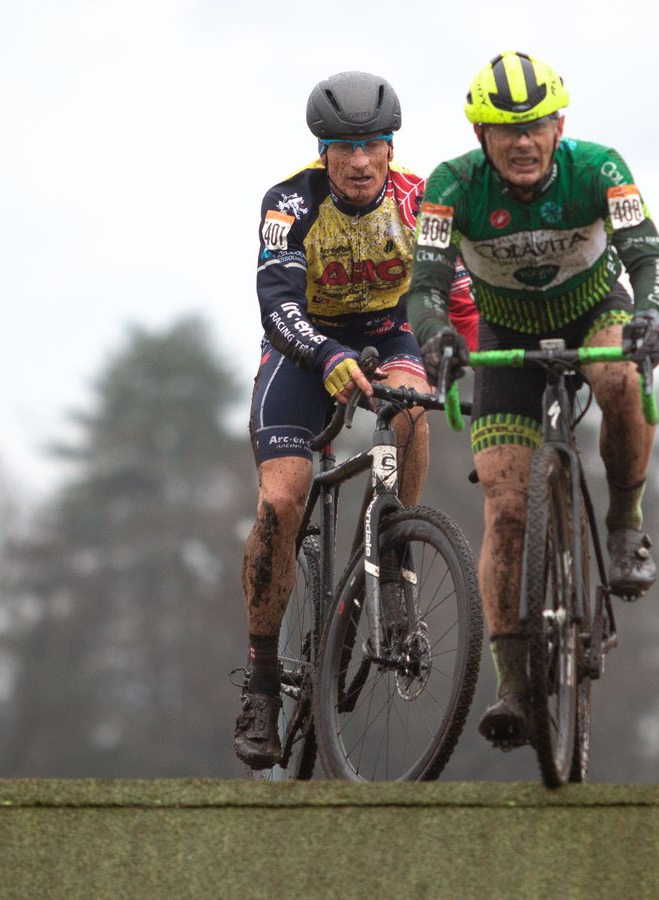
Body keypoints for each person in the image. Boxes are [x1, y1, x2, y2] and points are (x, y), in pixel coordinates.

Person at [406, 51, 659, 750]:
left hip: (594, 312)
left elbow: (647, 256)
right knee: (506, 501)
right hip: (507, 334)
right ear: (481, 137)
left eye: (536, 126)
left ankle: (623, 525)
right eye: (505, 129)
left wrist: (651, 318)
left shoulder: (600, 169)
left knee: (619, 380)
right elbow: (426, 284)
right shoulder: (450, 187)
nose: (522, 142)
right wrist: (434, 336)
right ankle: (516, 684)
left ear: (559, 126)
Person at [236, 71, 475, 769]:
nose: (362, 161)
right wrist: (326, 353)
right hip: (302, 346)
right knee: (282, 498)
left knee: (408, 416)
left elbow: (457, 298)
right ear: (323, 152)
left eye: (374, 144)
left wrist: (486, 366)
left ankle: (393, 557)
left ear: (391, 146)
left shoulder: (422, 199)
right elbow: (275, 304)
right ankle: (257, 683)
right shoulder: (289, 202)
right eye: (345, 147)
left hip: (392, 334)